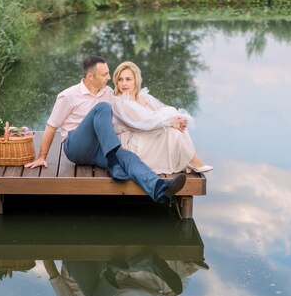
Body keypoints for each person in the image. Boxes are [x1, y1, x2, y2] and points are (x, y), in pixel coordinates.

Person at [24, 55, 186, 203]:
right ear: (90, 76)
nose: (109, 78)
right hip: (76, 146)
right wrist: (42, 156)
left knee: (129, 157)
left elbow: (133, 112)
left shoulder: (109, 92)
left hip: (101, 147)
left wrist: (164, 119)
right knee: (102, 108)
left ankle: (158, 188)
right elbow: (51, 126)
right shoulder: (68, 96)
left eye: (108, 73)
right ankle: (113, 162)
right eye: (104, 74)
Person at [111, 61, 213, 174]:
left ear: (136, 80)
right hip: (131, 146)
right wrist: (169, 122)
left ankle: (191, 159)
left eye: (128, 79)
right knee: (171, 130)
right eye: (120, 79)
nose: (124, 83)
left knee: (172, 118)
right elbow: (142, 124)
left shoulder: (144, 98)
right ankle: (193, 160)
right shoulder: (119, 102)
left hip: (145, 137)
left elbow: (159, 112)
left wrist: (177, 119)